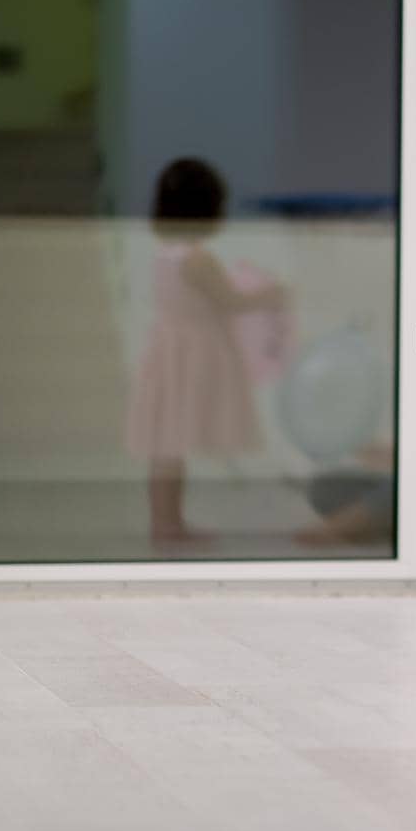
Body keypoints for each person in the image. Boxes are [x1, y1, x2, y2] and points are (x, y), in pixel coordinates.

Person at [125, 157, 286, 544]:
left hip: (168, 351)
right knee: (172, 443)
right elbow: (229, 301)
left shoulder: (165, 254)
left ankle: (166, 521)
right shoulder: (198, 258)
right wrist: (270, 294)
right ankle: (168, 524)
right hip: (192, 356)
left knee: (166, 445)